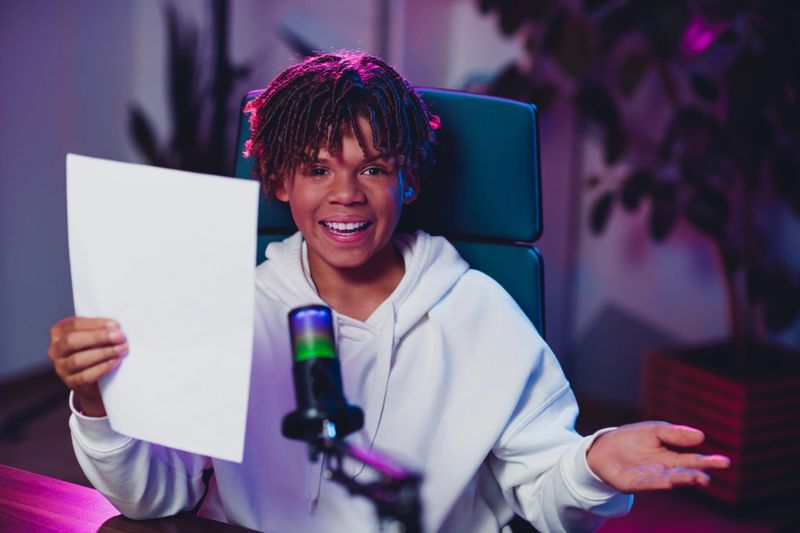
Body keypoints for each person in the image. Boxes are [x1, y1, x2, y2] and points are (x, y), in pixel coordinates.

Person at [48, 51, 729, 532]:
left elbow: (548, 500)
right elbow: (152, 497)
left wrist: (592, 464)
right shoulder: (231, 309)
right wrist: (97, 400)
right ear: (279, 183)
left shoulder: (480, 314)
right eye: (316, 168)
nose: (345, 193)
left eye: (373, 168)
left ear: (408, 180)